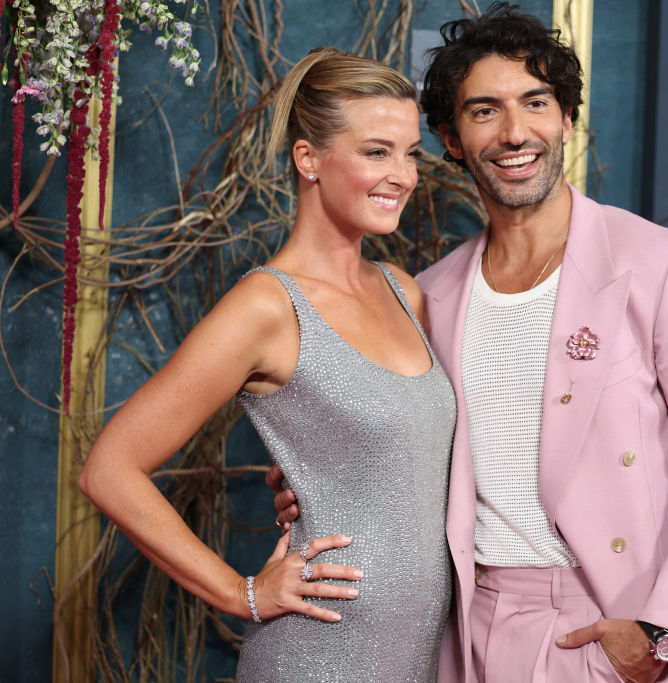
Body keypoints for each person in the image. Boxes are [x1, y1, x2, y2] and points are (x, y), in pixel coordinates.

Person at [271, 5, 668, 683]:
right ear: (450, 137)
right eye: (484, 111)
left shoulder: (665, 265)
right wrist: (318, 474)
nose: (515, 132)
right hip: (467, 632)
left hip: (609, 623)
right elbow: (406, 442)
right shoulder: (430, 296)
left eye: (535, 103)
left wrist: (664, 631)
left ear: (566, 117)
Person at [78, 47, 456, 682]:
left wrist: (317, 468)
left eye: (410, 152)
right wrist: (239, 593)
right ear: (308, 159)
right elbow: (109, 471)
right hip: (317, 656)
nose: (403, 174)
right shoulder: (266, 306)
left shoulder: (402, 289)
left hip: (415, 658)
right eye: (375, 152)